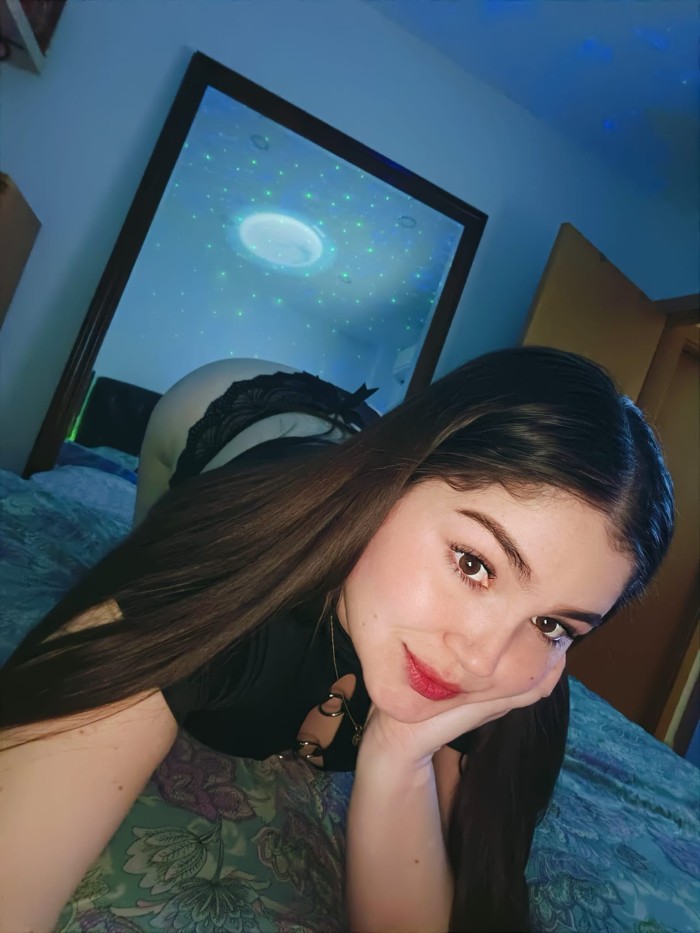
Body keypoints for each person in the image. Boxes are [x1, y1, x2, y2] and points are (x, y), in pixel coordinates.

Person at [0, 346, 674, 933]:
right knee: (145, 537)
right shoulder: (214, 581)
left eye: (554, 624)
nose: (480, 658)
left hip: (366, 443)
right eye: (473, 563)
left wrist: (400, 758)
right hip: (227, 409)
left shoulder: (522, 677)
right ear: (393, 479)